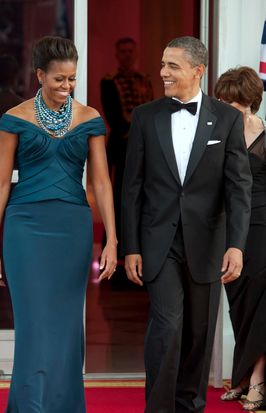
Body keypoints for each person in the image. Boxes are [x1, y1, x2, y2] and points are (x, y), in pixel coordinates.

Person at [0, 36, 117, 413]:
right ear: (40, 74)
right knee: (33, 324)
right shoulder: (14, 118)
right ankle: (30, 406)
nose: (67, 86)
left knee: (65, 326)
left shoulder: (91, 119)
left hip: (72, 230)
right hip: (25, 229)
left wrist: (111, 240)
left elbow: (101, 183)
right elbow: (0, 182)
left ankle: (63, 404)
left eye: (72, 79)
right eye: (59, 79)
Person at [121, 36, 252, 413]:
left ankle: (189, 406)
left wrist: (236, 245)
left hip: (208, 243)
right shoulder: (146, 116)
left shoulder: (226, 119)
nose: (162, 72)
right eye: (162, 64)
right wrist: (132, 246)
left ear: (198, 70)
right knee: (167, 326)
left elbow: (238, 188)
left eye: (172, 66)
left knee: (198, 333)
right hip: (159, 243)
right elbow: (132, 188)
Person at [215, 66, 266, 411]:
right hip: (230, 229)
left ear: (249, 102)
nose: (223, 107)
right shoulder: (217, 134)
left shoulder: (265, 135)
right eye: (221, 101)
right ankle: (245, 375)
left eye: (231, 102)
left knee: (263, 304)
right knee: (241, 304)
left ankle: (259, 380)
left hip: (264, 226)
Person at [100, 37, 153, 272]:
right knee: (120, 194)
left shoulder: (146, 80)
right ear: (116, 54)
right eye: (123, 51)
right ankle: (117, 250)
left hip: (144, 146)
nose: (127, 55)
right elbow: (112, 115)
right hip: (121, 146)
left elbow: (151, 110)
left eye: (131, 51)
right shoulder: (108, 81)